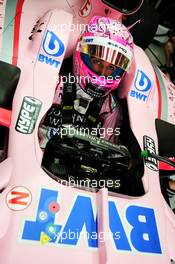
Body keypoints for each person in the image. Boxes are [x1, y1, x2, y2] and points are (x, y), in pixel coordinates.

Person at [39, 16, 144, 194]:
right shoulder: (53, 84)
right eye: (97, 62)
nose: (103, 72)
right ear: (81, 54)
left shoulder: (110, 108)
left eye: (111, 68)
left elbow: (107, 154)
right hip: (37, 164)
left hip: (77, 179)